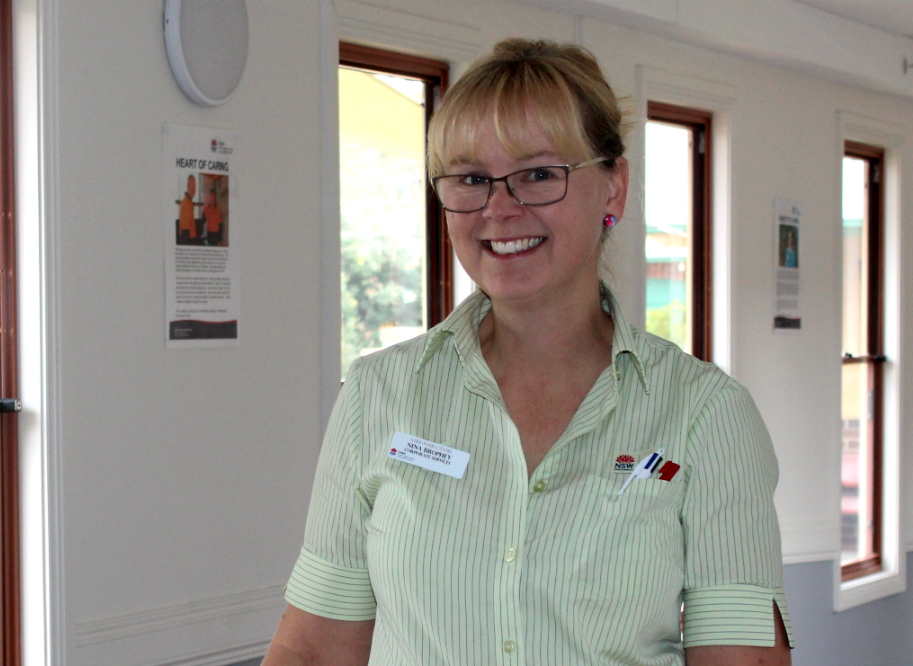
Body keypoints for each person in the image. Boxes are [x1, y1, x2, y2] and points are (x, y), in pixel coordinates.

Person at [265, 38, 793, 666]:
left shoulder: (705, 414)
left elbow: (744, 658)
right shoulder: (379, 396)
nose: (499, 208)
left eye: (539, 174)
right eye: (471, 179)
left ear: (613, 189)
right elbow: (315, 650)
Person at [177, 174, 198, 245]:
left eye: (195, 186)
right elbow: (184, 234)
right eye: (192, 185)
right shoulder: (186, 203)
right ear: (187, 185)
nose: (194, 189)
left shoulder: (189, 202)